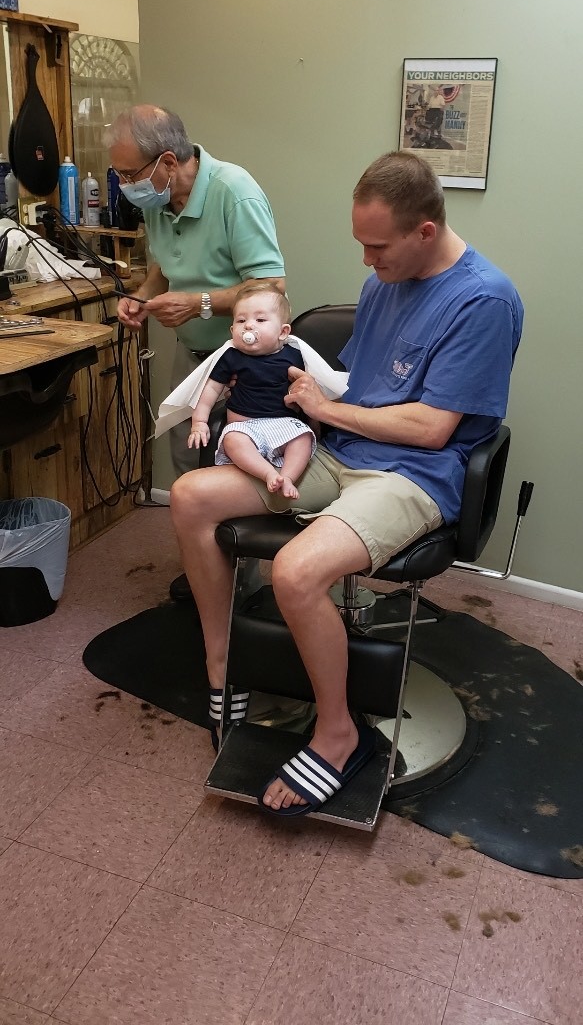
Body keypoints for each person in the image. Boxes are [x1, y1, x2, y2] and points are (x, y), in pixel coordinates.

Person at [170, 150, 523, 818]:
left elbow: (428, 429)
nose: (366, 261)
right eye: (360, 244)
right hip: (342, 452)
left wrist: (322, 410)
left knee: (296, 573)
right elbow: (356, 388)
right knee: (191, 497)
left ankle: (339, 734)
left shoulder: (483, 300)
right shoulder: (384, 282)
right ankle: (223, 666)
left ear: (424, 231)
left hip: (415, 472)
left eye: (377, 246)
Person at [107, 105, 286, 479]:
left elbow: (270, 286)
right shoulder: (159, 198)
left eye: (128, 174)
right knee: (187, 460)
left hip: (244, 359)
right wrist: (141, 295)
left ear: (168, 162)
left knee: (236, 465)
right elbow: (165, 265)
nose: (124, 185)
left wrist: (198, 304)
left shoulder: (234, 192)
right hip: (190, 357)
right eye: (118, 173)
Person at [187, 283, 316, 500]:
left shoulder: (294, 356)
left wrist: (313, 424)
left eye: (260, 320)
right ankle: (268, 474)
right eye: (241, 320)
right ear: (232, 330)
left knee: (303, 438)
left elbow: (308, 390)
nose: (248, 326)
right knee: (232, 440)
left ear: (283, 332)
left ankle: (287, 478)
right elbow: (210, 388)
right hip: (244, 427)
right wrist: (199, 422)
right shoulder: (230, 357)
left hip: (282, 424)